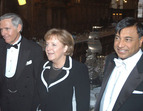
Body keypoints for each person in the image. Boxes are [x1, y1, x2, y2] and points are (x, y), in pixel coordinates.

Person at [34, 28, 90, 111]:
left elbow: (83, 104)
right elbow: (36, 97)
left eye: (54, 45)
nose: (48, 48)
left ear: (65, 48)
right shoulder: (43, 66)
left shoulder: (78, 69)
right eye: (47, 44)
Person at [94, 17, 143, 111]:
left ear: (140, 41)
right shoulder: (110, 60)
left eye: (127, 39)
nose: (120, 45)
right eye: (117, 38)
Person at [0, 13, 44, 111]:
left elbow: (39, 79)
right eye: (1, 29)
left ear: (19, 27)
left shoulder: (34, 49)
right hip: (4, 100)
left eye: (7, 29)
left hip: (25, 102)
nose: (3, 33)